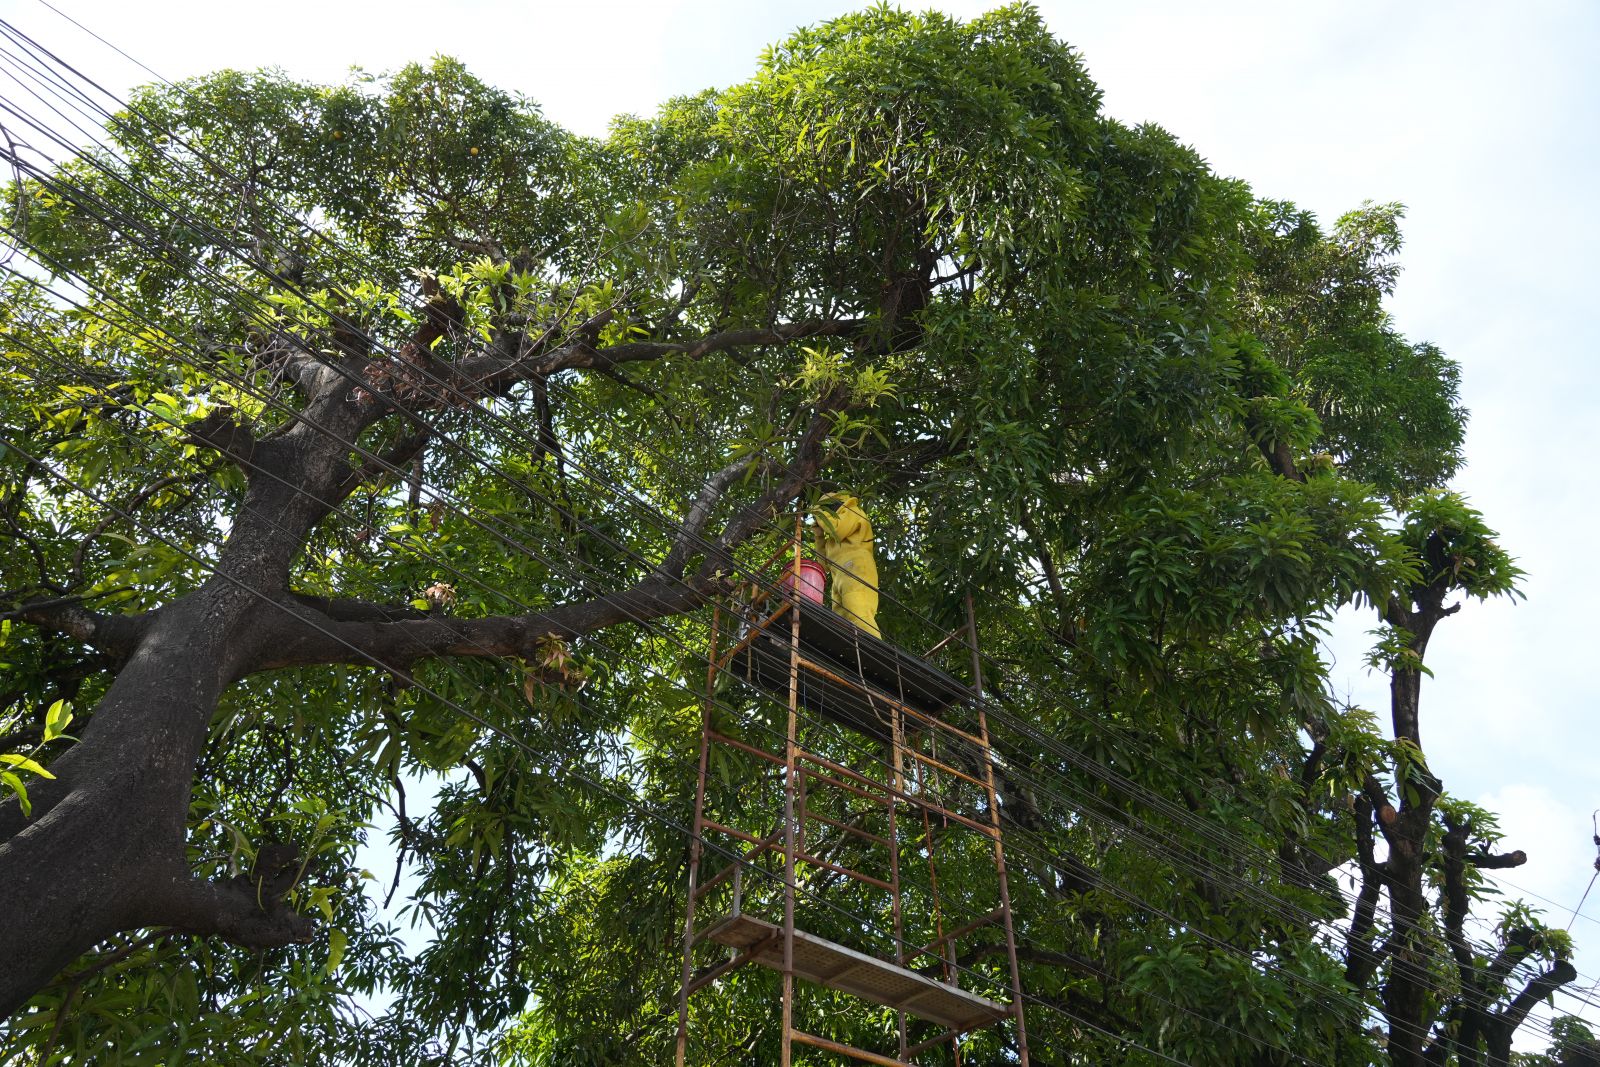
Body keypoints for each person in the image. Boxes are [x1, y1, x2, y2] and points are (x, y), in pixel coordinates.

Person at [813, 492, 880, 637]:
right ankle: (852, 656)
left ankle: (877, 652)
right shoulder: (832, 542)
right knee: (840, 623)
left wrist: (818, 513)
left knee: (857, 609)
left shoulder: (852, 511)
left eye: (826, 510)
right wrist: (819, 536)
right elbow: (823, 565)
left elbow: (836, 529)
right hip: (839, 576)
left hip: (856, 565)